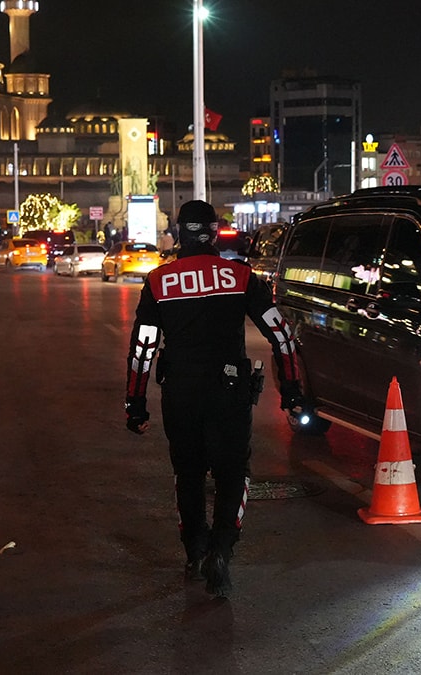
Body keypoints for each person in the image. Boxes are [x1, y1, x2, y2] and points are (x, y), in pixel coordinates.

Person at [124, 200, 303, 599]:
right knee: (232, 474)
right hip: (229, 391)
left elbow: (143, 348)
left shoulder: (159, 281)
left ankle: (195, 551)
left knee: (187, 474)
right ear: (216, 231)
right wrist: (291, 391)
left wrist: (135, 404)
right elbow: (282, 336)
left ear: (179, 233)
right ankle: (222, 551)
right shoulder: (241, 277)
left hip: (181, 393)